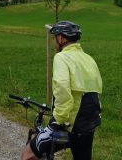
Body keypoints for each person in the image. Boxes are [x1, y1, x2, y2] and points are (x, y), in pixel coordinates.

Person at [22, 21, 103, 160]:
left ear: (61, 38)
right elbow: (95, 90)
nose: (54, 42)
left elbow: (62, 90)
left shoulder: (62, 57)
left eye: (55, 38)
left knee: (28, 154)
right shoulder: (89, 59)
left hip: (70, 124)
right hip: (90, 123)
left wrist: (58, 120)